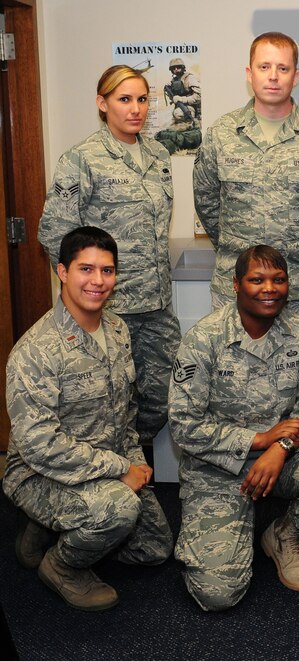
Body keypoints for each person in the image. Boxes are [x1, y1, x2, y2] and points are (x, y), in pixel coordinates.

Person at [169, 245, 299, 612]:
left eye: (279, 280)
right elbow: (184, 426)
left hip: (284, 459)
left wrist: (280, 447)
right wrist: (258, 440)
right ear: (236, 285)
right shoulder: (203, 339)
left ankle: (284, 534)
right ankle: (231, 523)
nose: (269, 288)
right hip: (218, 468)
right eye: (257, 280)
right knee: (217, 595)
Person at [3, 227, 173, 612]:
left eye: (108, 271)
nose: (98, 282)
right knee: (119, 510)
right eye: (86, 269)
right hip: (39, 472)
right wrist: (119, 469)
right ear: (62, 271)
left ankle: (57, 526)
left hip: (103, 462)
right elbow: (40, 445)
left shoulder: (117, 328)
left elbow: (126, 413)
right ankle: (61, 566)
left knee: (155, 549)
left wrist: (137, 465)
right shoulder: (37, 351)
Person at [193, 31, 299, 440]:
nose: (273, 76)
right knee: (232, 390)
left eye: (283, 68)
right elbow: (208, 203)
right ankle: (239, 489)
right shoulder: (222, 133)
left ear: (296, 76)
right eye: (264, 67)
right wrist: (240, 255)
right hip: (237, 293)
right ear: (249, 73)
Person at [38, 64, 180, 446]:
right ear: (103, 104)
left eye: (142, 99)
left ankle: (134, 455)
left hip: (156, 304)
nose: (135, 109)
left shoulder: (158, 154)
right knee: (106, 401)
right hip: (107, 306)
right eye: (123, 99)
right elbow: (55, 232)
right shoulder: (81, 159)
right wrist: (87, 291)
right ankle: (115, 476)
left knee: (166, 394)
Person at [164, 57, 201, 124]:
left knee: (178, 114)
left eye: (178, 67)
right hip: (181, 107)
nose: (176, 69)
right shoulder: (174, 81)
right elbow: (174, 98)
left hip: (192, 107)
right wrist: (169, 90)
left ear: (183, 67)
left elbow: (199, 96)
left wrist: (182, 99)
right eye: (173, 68)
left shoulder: (189, 78)